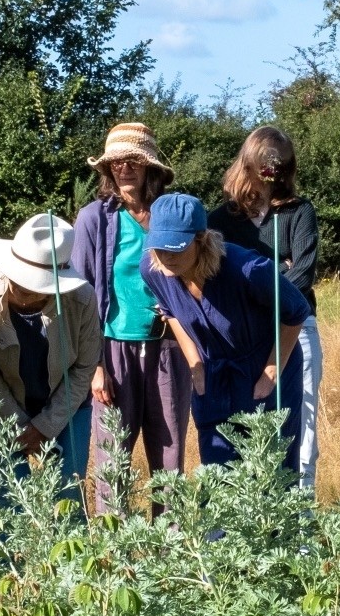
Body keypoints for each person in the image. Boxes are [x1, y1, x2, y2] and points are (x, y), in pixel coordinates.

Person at [71, 122, 192, 513]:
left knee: (169, 452)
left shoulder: (169, 214)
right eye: (116, 162)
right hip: (112, 348)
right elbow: (80, 294)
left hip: (169, 345)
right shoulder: (94, 218)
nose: (124, 168)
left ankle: (172, 550)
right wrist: (94, 367)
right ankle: (115, 553)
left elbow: (197, 269)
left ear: (149, 167)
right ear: (107, 169)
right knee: (113, 459)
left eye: (133, 160)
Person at [141, 194, 309, 470]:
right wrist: (195, 365)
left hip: (264, 365)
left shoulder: (247, 269)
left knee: (270, 474)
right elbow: (170, 313)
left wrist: (271, 370)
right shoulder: (153, 269)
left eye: (176, 247)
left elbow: (296, 311)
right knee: (218, 475)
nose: (167, 256)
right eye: (159, 246)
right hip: (213, 375)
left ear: (200, 238)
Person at [208, 127, 321, 490]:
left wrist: (255, 281)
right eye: (265, 163)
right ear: (248, 162)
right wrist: (276, 269)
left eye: (280, 165)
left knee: (299, 426)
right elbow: (214, 278)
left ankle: (298, 529)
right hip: (239, 337)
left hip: (297, 329)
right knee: (241, 429)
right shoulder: (220, 221)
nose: (272, 173)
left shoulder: (299, 211)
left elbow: (303, 273)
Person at [0, 213, 102, 502]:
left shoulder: (83, 299)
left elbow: (84, 368)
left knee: (67, 498)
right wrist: (19, 426)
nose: (22, 293)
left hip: (67, 407)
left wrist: (44, 426)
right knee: (5, 500)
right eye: (17, 282)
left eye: (35, 289)